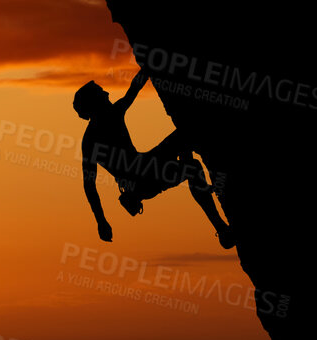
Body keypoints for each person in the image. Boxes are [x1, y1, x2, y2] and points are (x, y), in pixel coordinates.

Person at [74, 68, 235, 248]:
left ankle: (221, 227)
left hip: (145, 172)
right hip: (142, 178)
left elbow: (134, 88)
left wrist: (148, 67)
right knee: (190, 152)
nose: (107, 92)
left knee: (189, 150)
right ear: (94, 102)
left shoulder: (109, 118)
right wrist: (101, 220)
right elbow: (89, 184)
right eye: (101, 92)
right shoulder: (94, 136)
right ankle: (220, 226)